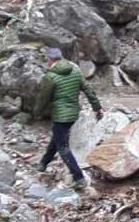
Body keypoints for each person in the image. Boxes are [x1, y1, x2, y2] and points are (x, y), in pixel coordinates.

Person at [35, 47, 103, 190]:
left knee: (62, 146)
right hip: (73, 114)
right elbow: (88, 90)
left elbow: (43, 98)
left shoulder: (50, 76)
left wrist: (37, 112)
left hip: (60, 116)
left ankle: (79, 177)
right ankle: (43, 163)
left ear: (50, 60)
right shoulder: (75, 69)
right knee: (58, 137)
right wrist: (97, 107)